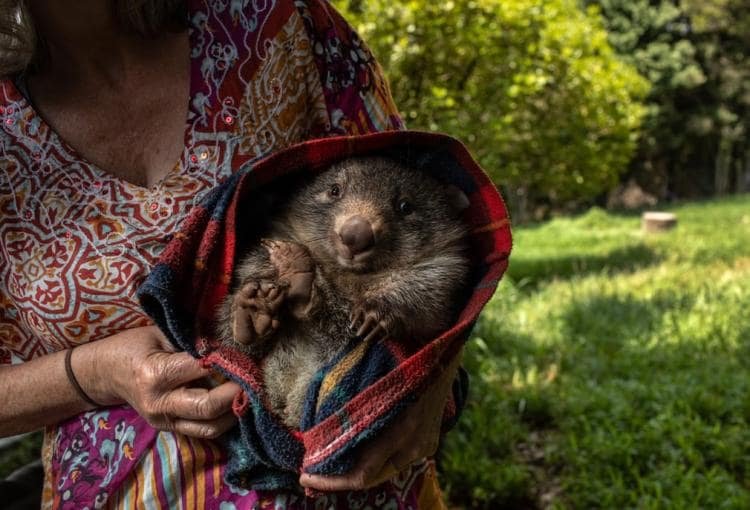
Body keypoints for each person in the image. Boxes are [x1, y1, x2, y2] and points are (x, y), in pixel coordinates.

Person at [0, 1, 460, 508]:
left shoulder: (282, 23)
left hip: (360, 472)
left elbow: (434, 213)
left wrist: (434, 377)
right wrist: (95, 374)